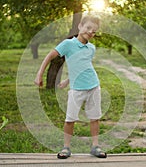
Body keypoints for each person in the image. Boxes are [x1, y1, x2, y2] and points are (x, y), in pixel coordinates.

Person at [34, 15, 107, 159]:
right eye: (88, 28)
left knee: (94, 118)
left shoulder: (91, 48)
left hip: (93, 86)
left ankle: (95, 146)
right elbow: (49, 56)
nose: (90, 32)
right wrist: (39, 75)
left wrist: (66, 80)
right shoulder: (68, 44)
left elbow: (83, 66)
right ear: (80, 26)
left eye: (94, 31)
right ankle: (66, 147)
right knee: (70, 119)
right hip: (77, 90)